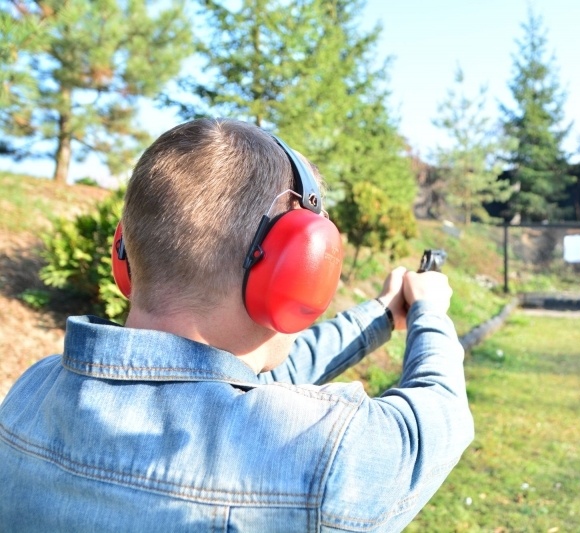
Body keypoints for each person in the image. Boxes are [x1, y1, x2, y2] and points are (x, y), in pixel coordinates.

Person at [0, 118, 474, 532]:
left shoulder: (31, 393)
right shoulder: (319, 458)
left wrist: (380, 313)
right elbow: (439, 418)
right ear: (299, 274)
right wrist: (430, 311)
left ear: (126, 254)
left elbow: (227, 381)